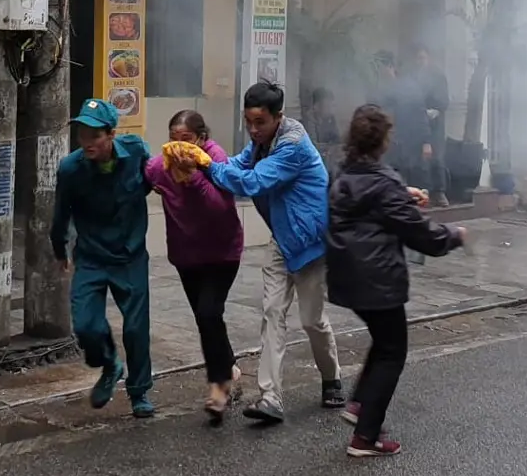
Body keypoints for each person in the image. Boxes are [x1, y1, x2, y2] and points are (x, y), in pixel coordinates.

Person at [191, 81, 344, 424]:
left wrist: (208, 165)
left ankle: (331, 378)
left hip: (309, 245)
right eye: (248, 122)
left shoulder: (292, 147)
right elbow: (238, 166)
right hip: (280, 240)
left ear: (279, 117)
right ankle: (270, 397)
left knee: (312, 321)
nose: (253, 129)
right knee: (272, 313)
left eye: (260, 122)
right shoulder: (262, 143)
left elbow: (252, 182)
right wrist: (206, 160)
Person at [326, 104, 465, 457]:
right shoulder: (383, 181)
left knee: (383, 340)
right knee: (393, 351)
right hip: (377, 279)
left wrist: (403, 195)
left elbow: (370, 204)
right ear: (384, 141)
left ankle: (358, 404)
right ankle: (365, 438)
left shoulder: (344, 174)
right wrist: (454, 234)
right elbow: (420, 234)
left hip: (347, 275)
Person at [51, 98, 157, 418]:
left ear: (111, 134)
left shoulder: (136, 152)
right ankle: (110, 364)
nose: (86, 142)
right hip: (92, 257)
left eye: (94, 135)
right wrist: (60, 250)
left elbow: (154, 182)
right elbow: (60, 215)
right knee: (85, 325)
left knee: (136, 329)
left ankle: (139, 392)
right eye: (82, 134)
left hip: (130, 256)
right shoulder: (70, 169)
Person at [149, 110, 244, 423]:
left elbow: (220, 207)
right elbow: (143, 174)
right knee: (205, 318)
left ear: (202, 139)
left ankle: (219, 386)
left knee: (208, 313)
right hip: (186, 255)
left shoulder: (217, 161)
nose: (179, 147)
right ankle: (227, 364)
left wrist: (192, 177)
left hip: (222, 252)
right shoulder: (162, 166)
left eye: (186, 140)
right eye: (173, 140)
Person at [375, 51, 434, 203]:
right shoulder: (382, 89)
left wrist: (426, 142)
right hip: (391, 142)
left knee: (408, 175)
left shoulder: (408, 87)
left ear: (390, 67)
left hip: (409, 141)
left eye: (380, 67)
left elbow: (420, 114)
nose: (378, 72)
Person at [412, 47, 451, 206]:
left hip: (435, 124)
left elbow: (444, 101)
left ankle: (440, 192)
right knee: (420, 159)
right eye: (418, 58)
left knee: (437, 158)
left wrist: (435, 110)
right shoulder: (413, 78)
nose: (420, 61)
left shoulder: (438, 77)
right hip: (418, 123)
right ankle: (423, 192)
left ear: (429, 59)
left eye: (423, 58)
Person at [307, 87, 344, 176]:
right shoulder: (308, 121)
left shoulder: (330, 119)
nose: (331, 109)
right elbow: (312, 146)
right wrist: (330, 147)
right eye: (328, 106)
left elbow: (337, 140)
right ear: (316, 107)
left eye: (332, 105)